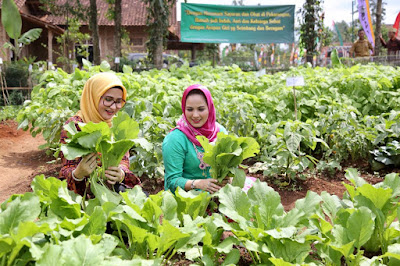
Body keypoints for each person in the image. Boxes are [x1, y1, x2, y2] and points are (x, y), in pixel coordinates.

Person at [59, 72, 141, 196]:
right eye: (108, 100)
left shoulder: (117, 124)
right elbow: (66, 168)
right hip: (83, 195)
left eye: (119, 101)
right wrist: (78, 174)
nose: (113, 107)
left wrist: (121, 173)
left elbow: (124, 161)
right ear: (94, 97)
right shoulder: (75, 126)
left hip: (113, 191)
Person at [163, 84, 228, 194]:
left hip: (219, 195)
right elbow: (171, 182)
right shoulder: (175, 139)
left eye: (201, 109)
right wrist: (197, 184)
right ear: (184, 109)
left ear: (210, 108)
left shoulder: (220, 132)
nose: (195, 115)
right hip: (188, 199)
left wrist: (228, 179)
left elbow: (229, 168)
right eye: (190, 109)